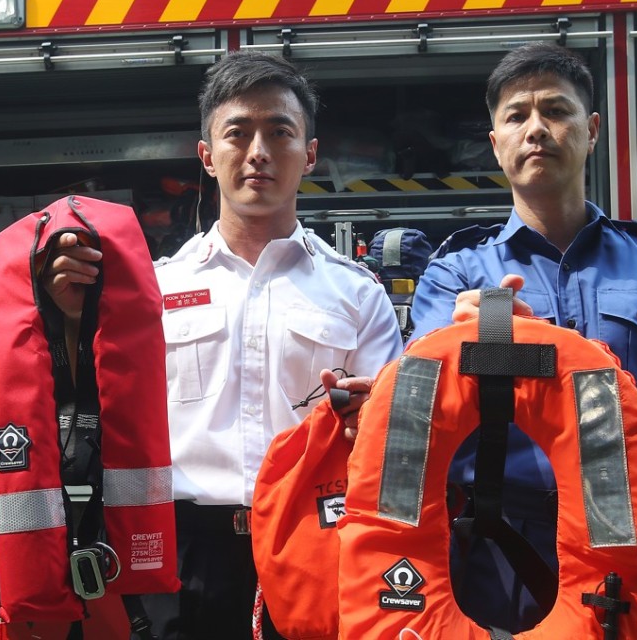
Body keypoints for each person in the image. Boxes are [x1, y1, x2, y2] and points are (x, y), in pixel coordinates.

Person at [410, 42, 637, 639]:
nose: (537, 129)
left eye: (555, 111)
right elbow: (417, 424)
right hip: (497, 551)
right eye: (517, 116)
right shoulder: (457, 273)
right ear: (496, 144)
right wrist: (456, 345)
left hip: (630, 547)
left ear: (591, 131)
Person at [42, 50, 403, 639]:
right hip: (185, 556)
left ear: (309, 154)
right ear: (207, 157)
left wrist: (369, 414)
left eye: (280, 132)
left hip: (317, 540)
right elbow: (97, 405)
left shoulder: (358, 296)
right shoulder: (154, 289)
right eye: (238, 133)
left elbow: (387, 444)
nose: (258, 151)